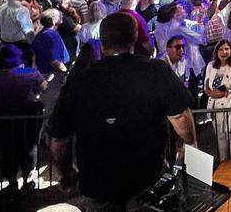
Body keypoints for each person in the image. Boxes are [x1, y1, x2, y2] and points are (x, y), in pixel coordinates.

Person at [49, 12, 197, 211]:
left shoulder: (80, 80)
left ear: (102, 43)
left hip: (98, 183)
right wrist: (188, 146)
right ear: (135, 39)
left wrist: (67, 172)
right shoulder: (156, 70)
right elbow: (181, 117)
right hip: (146, 180)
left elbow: (59, 139)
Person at [0, 44, 46, 194]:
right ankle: (28, 180)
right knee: (28, 149)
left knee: (6, 152)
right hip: (27, 121)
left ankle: (12, 182)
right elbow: (44, 86)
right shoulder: (30, 72)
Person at [204, 39, 231, 160]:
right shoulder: (210, 66)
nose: (224, 52)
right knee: (221, 137)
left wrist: (224, 94)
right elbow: (207, 84)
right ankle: (223, 164)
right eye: (221, 49)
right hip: (216, 109)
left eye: (227, 49)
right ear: (216, 51)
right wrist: (209, 92)